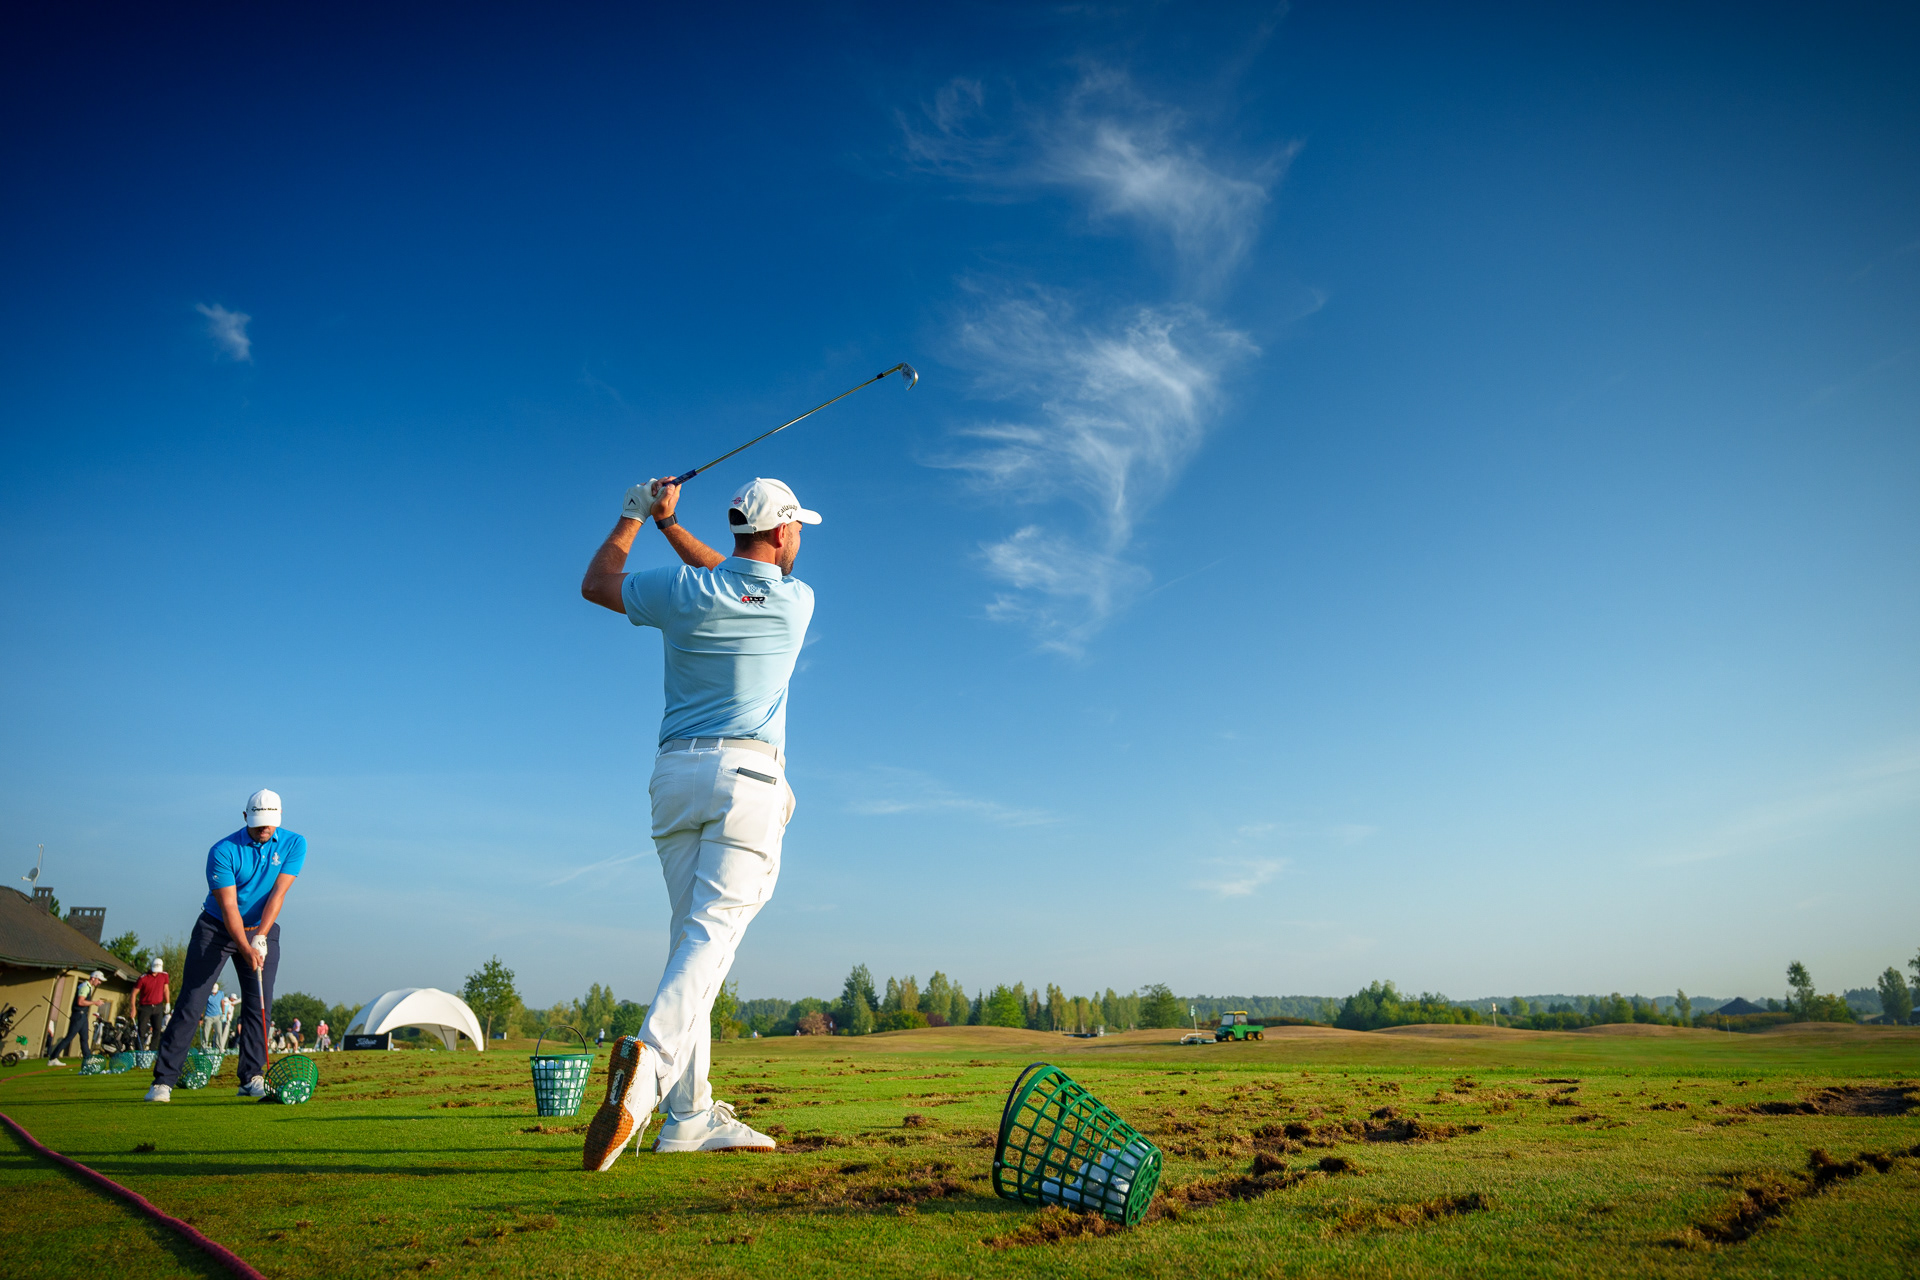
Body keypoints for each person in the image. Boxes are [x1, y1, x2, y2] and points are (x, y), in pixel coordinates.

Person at [576, 476, 814, 1169]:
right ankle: (648, 1071)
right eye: (798, 528)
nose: (800, 539)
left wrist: (639, 518)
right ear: (780, 532)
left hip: (674, 778)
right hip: (748, 780)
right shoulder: (795, 601)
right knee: (709, 941)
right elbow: (739, 577)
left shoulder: (683, 591)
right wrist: (670, 527)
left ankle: (688, 1116)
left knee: (692, 945)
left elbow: (598, 584)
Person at [145, 789, 307, 1103]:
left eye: (270, 822)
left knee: (259, 1003)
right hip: (216, 928)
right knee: (192, 1001)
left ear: (279, 819)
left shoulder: (295, 843)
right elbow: (230, 907)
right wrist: (246, 948)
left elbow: (278, 894)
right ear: (245, 817)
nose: (264, 828)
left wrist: (260, 936)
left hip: (261, 927)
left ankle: (251, 1076)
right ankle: (163, 1081)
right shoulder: (223, 850)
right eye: (258, 822)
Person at [47, 969, 107, 1066]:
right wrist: (94, 1002)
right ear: (93, 978)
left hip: (82, 1016)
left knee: (84, 1038)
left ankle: (88, 1058)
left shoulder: (88, 987)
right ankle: (53, 1058)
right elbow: (80, 1002)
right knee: (69, 1037)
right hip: (78, 1015)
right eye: (99, 980)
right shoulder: (85, 987)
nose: (99, 982)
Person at [133, 956, 171, 1050]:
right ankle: (139, 1051)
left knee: (157, 1029)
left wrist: (167, 1002)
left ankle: (153, 1051)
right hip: (145, 1007)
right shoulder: (143, 978)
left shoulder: (164, 975)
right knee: (142, 1030)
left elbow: (166, 989)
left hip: (158, 1006)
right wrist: (133, 1008)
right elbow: (133, 993)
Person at [200, 982, 225, 1050]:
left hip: (217, 1016)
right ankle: (203, 1048)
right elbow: (202, 1005)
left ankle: (220, 1048)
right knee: (206, 1033)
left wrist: (223, 1013)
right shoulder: (207, 994)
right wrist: (201, 1017)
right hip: (208, 1017)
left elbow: (222, 1003)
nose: (213, 993)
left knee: (219, 1033)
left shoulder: (221, 993)